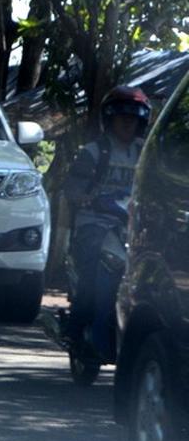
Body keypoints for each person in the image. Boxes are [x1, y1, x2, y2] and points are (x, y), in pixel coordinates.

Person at [61, 85, 151, 345]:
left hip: (133, 226)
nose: (127, 122)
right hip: (95, 224)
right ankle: (77, 327)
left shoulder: (145, 152)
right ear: (110, 118)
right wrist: (88, 199)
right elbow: (72, 188)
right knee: (91, 269)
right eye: (122, 116)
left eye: (133, 117)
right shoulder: (93, 151)